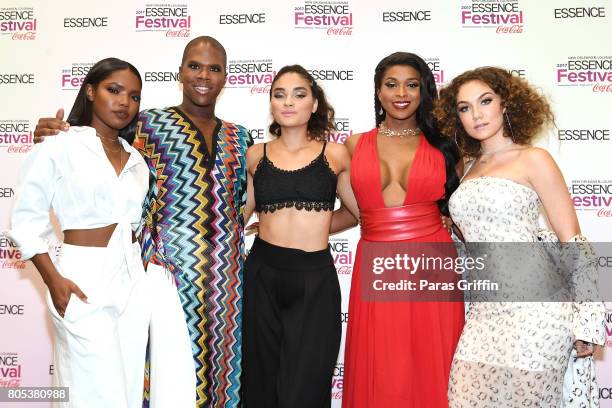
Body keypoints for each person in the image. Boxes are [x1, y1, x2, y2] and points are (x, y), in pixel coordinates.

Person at [33, 36, 251, 408]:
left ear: (225, 77)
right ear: (180, 72)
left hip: (225, 278)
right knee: (160, 376)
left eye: (214, 68)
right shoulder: (146, 124)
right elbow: (95, 141)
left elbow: (241, 202)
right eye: (195, 66)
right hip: (161, 273)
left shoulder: (241, 136)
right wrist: (52, 131)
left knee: (222, 373)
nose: (203, 75)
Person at [434, 66, 606, 407]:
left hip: (538, 314)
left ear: (506, 104)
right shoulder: (466, 167)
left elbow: (572, 240)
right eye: (464, 108)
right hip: (484, 316)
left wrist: (587, 322)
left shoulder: (533, 159)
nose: (476, 114)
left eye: (485, 101)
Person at [8, 58, 149, 408]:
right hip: (81, 279)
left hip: (132, 281)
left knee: (128, 391)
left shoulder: (137, 160)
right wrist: (52, 278)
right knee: (92, 393)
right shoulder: (59, 144)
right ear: (90, 91)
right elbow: (25, 219)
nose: (123, 102)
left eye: (133, 96)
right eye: (113, 90)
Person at [334, 52, 465, 408]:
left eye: (411, 84)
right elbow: (350, 213)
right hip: (375, 262)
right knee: (382, 367)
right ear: (378, 91)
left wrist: (455, 219)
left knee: (432, 363)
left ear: (423, 91)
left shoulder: (445, 145)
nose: (400, 93)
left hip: (432, 263)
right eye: (391, 84)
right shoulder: (352, 145)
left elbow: (467, 205)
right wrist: (286, 230)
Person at [240, 65, 359, 408]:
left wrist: (318, 225)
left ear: (315, 104)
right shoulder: (255, 155)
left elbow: (355, 213)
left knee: (305, 387)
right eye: (279, 94)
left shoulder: (334, 154)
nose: (288, 101)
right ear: (272, 105)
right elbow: (241, 215)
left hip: (314, 279)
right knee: (261, 380)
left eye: (299, 94)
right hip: (262, 273)